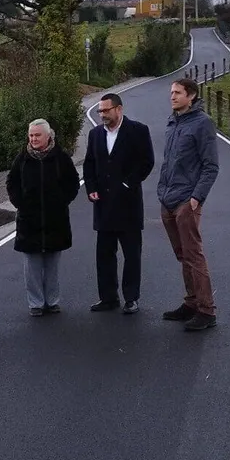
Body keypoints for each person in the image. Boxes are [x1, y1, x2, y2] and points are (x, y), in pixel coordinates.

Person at [82, 92, 155, 314]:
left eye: (106, 110)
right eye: (100, 111)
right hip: (103, 206)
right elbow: (89, 164)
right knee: (104, 254)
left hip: (128, 205)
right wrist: (91, 188)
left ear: (119, 109)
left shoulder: (138, 131)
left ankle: (131, 298)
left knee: (132, 255)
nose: (102, 114)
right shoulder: (95, 134)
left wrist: (126, 185)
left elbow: (147, 162)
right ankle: (108, 297)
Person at [157, 77, 220, 331]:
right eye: (171, 92)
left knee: (194, 255)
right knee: (183, 255)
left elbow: (211, 166)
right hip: (168, 198)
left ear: (191, 95)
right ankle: (191, 302)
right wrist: (162, 190)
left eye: (178, 92)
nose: (172, 96)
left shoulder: (202, 124)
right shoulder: (173, 122)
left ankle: (207, 310)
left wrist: (196, 198)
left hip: (186, 201)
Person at [7, 118, 81, 316]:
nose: (33, 139)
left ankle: (52, 301)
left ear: (48, 136)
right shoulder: (21, 159)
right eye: (31, 135)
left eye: (37, 135)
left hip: (55, 220)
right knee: (32, 266)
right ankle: (36, 304)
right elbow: (11, 183)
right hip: (29, 221)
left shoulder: (61, 158)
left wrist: (61, 201)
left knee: (52, 265)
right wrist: (20, 203)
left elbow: (73, 182)